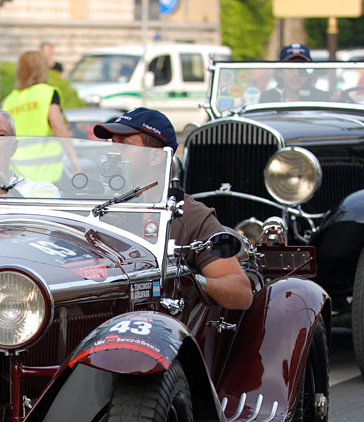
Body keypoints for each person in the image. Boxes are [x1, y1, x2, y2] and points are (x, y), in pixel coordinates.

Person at [94, 108, 254, 310]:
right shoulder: (98, 208)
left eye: (124, 144)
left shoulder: (189, 215)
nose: (112, 153)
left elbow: (241, 293)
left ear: (156, 157)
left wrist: (191, 282)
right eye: (112, 144)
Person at [1, 50, 77, 182]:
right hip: (46, 169)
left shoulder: (9, 100)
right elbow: (56, 123)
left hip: (17, 170)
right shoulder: (46, 93)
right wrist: (73, 157)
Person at [260, 43, 331, 104]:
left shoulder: (321, 98)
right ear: (280, 71)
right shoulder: (267, 99)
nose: (296, 73)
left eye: (301, 68)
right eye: (290, 67)